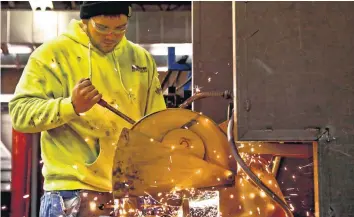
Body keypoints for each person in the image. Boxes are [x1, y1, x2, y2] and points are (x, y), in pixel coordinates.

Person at [9, 1, 166, 216]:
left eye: (120, 28)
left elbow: (156, 122)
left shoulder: (141, 59)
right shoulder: (53, 54)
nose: (111, 35)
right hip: (71, 194)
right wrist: (71, 106)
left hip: (127, 192)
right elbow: (20, 114)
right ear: (85, 21)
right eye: (102, 27)